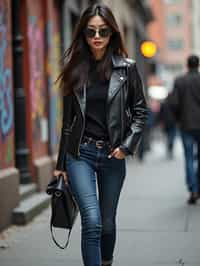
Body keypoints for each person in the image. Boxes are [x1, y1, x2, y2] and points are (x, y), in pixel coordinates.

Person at [54, 3, 147, 266]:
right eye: (91, 31)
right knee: (92, 222)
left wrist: (126, 147)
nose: (97, 37)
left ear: (112, 34)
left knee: (107, 224)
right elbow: (68, 123)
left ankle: (106, 261)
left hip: (112, 155)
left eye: (103, 31)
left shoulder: (126, 69)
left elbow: (140, 112)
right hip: (80, 154)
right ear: (83, 34)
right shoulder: (74, 69)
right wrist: (61, 165)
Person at [168, 55, 200, 204]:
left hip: (186, 124)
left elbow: (173, 103)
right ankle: (197, 187)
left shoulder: (180, 81)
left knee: (188, 157)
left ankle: (193, 188)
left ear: (187, 65)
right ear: (198, 65)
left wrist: (177, 118)